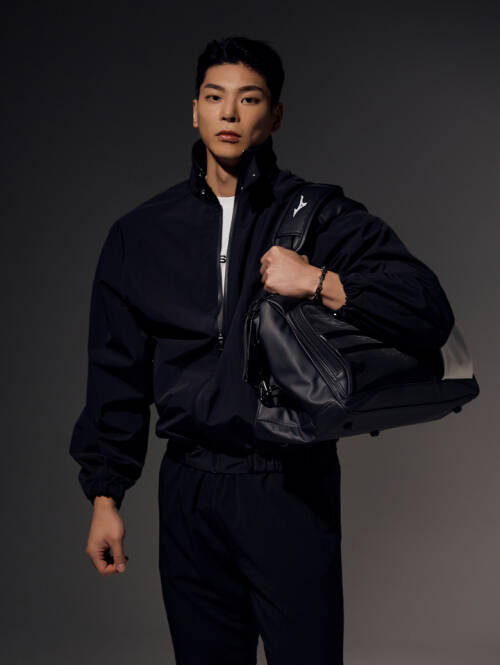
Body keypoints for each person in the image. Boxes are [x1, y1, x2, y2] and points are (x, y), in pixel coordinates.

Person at [69, 36, 455, 665]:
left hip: (288, 483)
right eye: (214, 97)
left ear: (274, 116)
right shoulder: (140, 234)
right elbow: (117, 373)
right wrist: (106, 498)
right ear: (194, 109)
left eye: (248, 99)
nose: (229, 113)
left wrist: (319, 282)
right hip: (188, 488)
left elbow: (427, 307)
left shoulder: (319, 215)